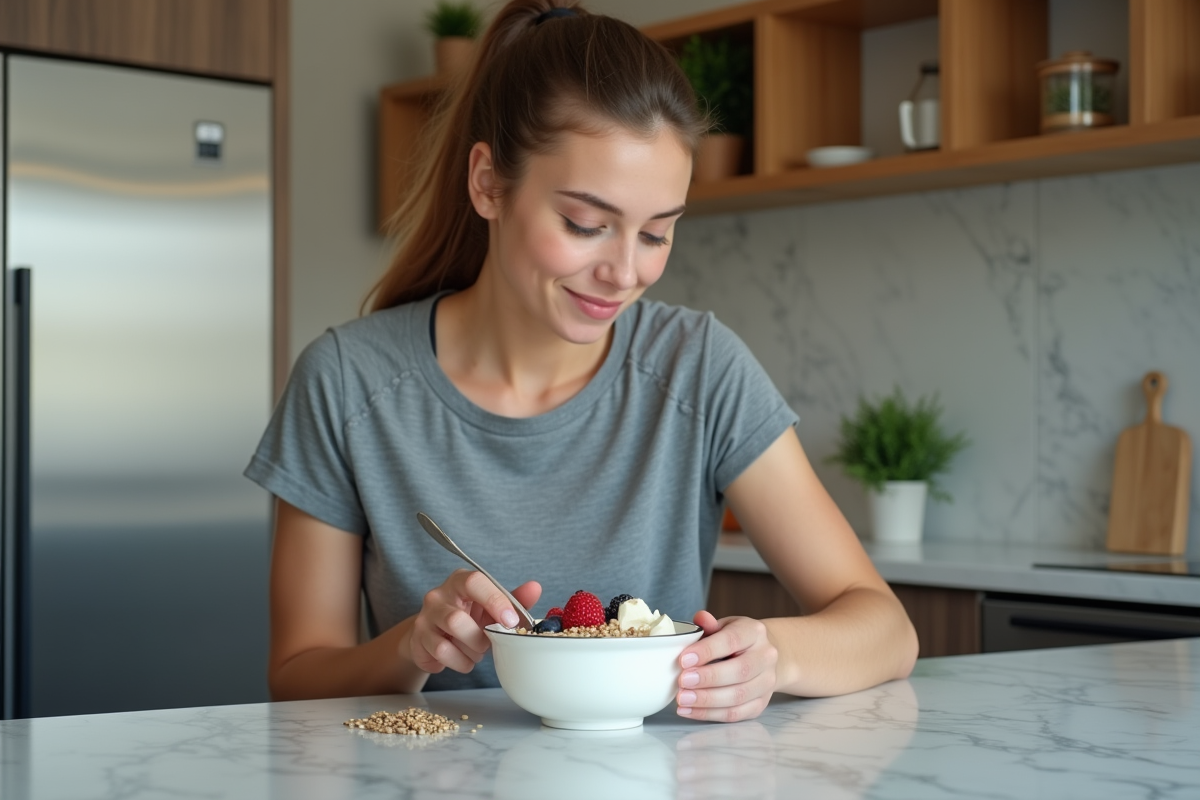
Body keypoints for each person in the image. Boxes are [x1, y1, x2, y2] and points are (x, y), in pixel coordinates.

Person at [246, 0, 918, 723]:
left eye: (656, 234)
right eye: (585, 224)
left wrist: (774, 655)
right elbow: (297, 678)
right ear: (488, 183)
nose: (624, 273)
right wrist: (412, 647)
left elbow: (885, 627)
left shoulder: (698, 367)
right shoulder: (346, 382)